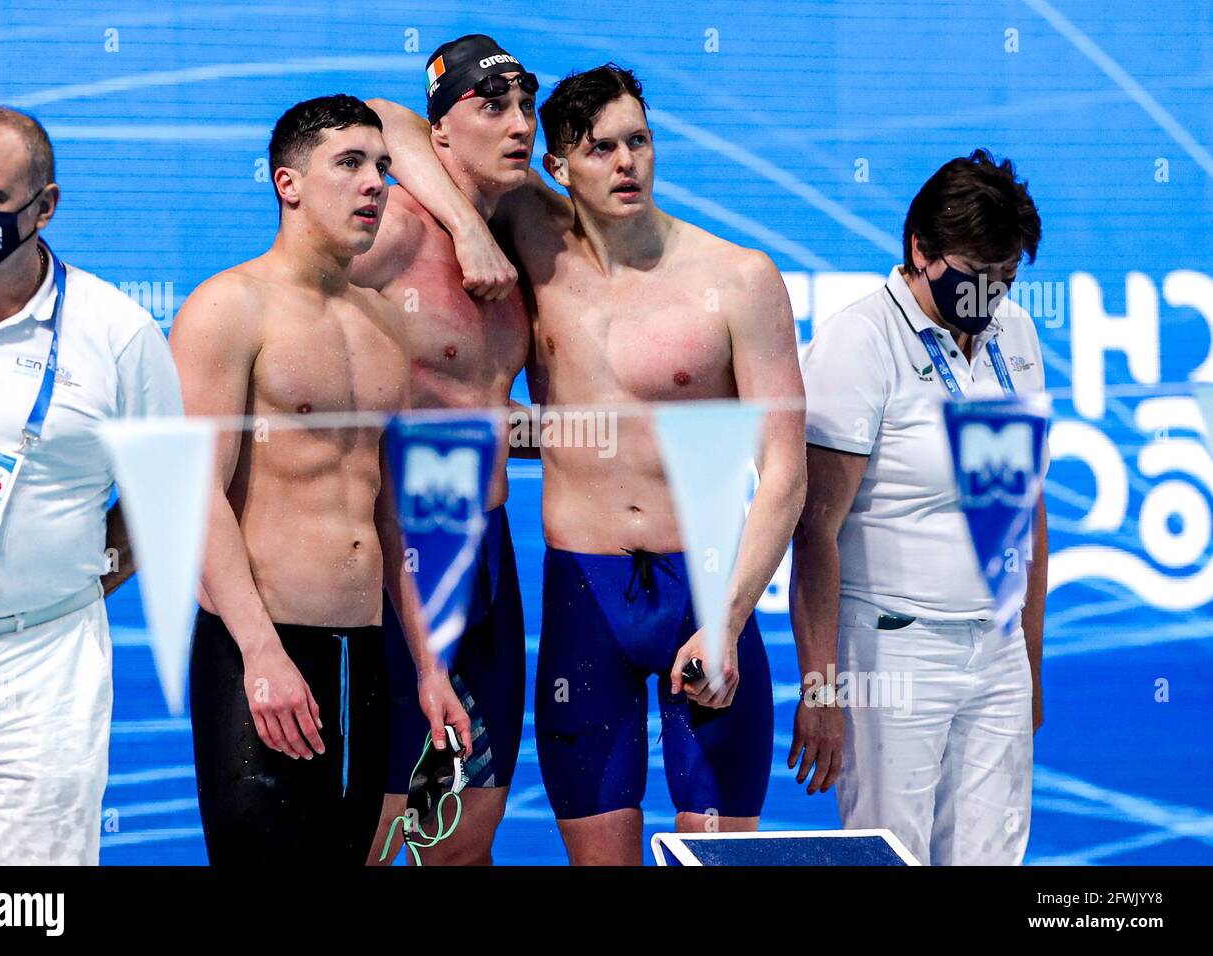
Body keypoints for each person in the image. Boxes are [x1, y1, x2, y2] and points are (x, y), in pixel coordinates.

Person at [372, 64, 806, 865]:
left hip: (708, 593)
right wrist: (469, 232)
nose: (625, 163)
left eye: (638, 141)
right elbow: (388, 119)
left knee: (717, 859)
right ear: (557, 167)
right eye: (600, 148)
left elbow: (785, 470)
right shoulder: (536, 238)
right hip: (585, 600)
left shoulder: (738, 278)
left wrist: (730, 617)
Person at [0, 106, 182, 865]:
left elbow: (162, 502)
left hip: (41, 667)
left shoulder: (118, 333)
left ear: (46, 206)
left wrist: (61, 587)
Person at [168, 95, 409, 866]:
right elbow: (194, 495)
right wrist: (261, 654)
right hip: (261, 648)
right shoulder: (228, 307)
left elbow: (389, 508)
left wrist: (426, 666)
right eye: (350, 164)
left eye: (383, 167)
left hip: (363, 652)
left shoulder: (384, 321)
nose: (375, 184)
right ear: (288, 183)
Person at [790, 149, 1047, 865]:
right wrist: (820, 687)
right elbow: (814, 532)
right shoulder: (860, 341)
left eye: (1007, 276)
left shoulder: (1016, 335)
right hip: (893, 649)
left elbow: (1027, 508)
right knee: (892, 857)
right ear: (921, 252)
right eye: (976, 274)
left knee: (994, 857)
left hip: (996, 649)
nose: (990, 294)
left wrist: (1028, 661)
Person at [353, 34, 532, 866]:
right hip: (409, 555)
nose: (519, 124)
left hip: (488, 552)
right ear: (441, 135)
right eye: (491, 106)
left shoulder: (526, 234)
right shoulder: (393, 228)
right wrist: (463, 226)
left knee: (471, 826)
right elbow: (376, 116)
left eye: (525, 105)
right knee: (392, 826)